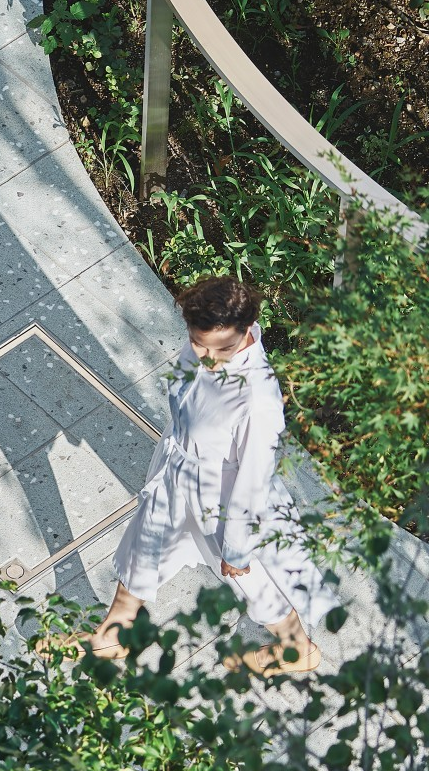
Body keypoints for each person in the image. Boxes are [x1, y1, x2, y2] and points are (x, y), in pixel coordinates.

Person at [48, 275, 336, 675]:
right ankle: (110, 638)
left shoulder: (257, 400)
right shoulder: (208, 337)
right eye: (197, 342)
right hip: (179, 474)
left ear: (245, 329)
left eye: (220, 348)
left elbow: (254, 477)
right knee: (143, 545)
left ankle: (298, 648)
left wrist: (237, 548)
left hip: (224, 498)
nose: (206, 356)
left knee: (252, 579)